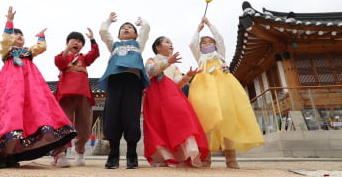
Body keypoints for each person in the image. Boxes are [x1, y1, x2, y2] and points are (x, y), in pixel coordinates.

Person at [0, 6, 76, 168]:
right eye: (16, 34)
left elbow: (40, 47)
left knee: (25, 117)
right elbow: (5, 39)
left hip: (29, 89)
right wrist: (10, 22)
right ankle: (2, 154)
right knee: (10, 116)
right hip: (10, 87)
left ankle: (11, 154)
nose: (19, 36)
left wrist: (41, 36)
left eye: (21, 35)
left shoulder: (28, 52)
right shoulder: (6, 50)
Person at [188, 17, 264, 169]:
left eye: (210, 42)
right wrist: (198, 29)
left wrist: (210, 24)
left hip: (224, 87)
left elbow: (220, 38)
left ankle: (231, 158)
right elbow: (191, 44)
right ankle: (206, 158)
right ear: (200, 47)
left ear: (215, 45)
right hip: (204, 88)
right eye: (204, 43)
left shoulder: (220, 54)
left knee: (228, 119)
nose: (207, 44)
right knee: (206, 121)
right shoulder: (200, 58)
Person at [143, 36, 209, 167]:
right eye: (167, 42)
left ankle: (183, 156)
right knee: (158, 125)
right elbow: (151, 71)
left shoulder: (174, 66)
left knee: (181, 121)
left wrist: (188, 76)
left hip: (171, 95)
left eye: (172, 43)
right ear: (158, 47)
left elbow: (177, 84)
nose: (171, 45)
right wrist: (168, 62)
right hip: (155, 96)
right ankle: (163, 158)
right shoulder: (152, 60)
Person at [98, 12, 151, 169]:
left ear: (135, 34)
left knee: (131, 117)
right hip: (114, 81)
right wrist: (109, 21)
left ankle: (131, 154)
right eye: (123, 28)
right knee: (112, 116)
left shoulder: (138, 45)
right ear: (118, 34)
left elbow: (146, 29)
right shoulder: (113, 45)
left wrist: (142, 22)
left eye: (130, 27)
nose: (126, 28)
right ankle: (113, 154)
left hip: (132, 82)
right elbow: (103, 32)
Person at [53, 29, 100, 166]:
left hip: (83, 94)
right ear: (67, 43)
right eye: (73, 40)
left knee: (85, 126)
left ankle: (79, 150)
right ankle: (59, 153)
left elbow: (95, 54)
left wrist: (92, 40)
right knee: (63, 124)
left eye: (79, 41)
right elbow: (59, 63)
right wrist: (66, 49)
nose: (76, 42)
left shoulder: (83, 58)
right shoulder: (62, 56)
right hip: (65, 95)